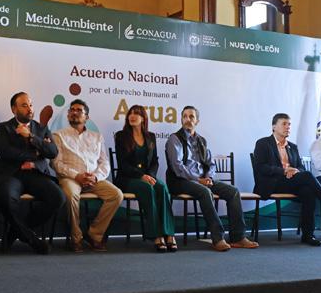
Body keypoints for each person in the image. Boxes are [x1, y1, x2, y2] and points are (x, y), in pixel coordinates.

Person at [253, 113, 321, 246]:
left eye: (289, 124)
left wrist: (295, 171)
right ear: (273, 127)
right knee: (307, 175)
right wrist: (284, 170)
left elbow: (300, 167)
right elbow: (260, 167)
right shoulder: (263, 143)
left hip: (290, 181)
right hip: (271, 184)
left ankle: (308, 235)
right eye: (284, 124)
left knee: (308, 192)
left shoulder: (292, 146)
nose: (288, 127)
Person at [165, 105, 259, 251]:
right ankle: (218, 238)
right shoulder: (174, 139)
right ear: (181, 120)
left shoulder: (202, 140)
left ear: (197, 121)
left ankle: (238, 237)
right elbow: (178, 167)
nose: (187, 119)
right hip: (180, 181)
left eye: (191, 116)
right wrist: (199, 180)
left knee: (233, 191)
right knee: (205, 191)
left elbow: (211, 163)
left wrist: (208, 177)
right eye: (185, 116)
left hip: (203, 180)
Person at [0, 92, 65, 254]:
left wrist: (31, 137)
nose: (30, 109)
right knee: (7, 198)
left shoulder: (41, 129)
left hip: (35, 174)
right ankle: (33, 240)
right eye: (24, 105)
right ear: (14, 109)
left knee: (58, 197)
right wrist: (36, 153)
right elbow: (4, 151)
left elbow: (52, 152)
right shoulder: (3, 128)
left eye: (31, 105)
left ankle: (15, 232)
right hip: (11, 174)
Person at [52, 99, 124, 252]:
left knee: (116, 195)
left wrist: (95, 177)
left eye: (79, 110)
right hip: (71, 178)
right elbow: (56, 164)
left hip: (93, 179)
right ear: (68, 115)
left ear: (87, 117)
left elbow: (104, 163)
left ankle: (94, 234)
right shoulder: (58, 135)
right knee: (71, 195)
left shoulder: (97, 137)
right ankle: (76, 238)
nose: (74, 112)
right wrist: (77, 176)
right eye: (72, 110)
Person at [115, 105, 176, 252]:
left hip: (148, 176)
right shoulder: (121, 136)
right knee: (147, 188)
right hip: (127, 178)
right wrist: (141, 176)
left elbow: (154, 161)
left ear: (143, 118)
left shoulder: (151, 137)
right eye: (130, 113)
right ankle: (157, 235)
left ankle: (169, 234)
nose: (132, 116)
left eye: (136, 114)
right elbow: (123, 164)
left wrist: (151, 176)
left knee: (162, 187)